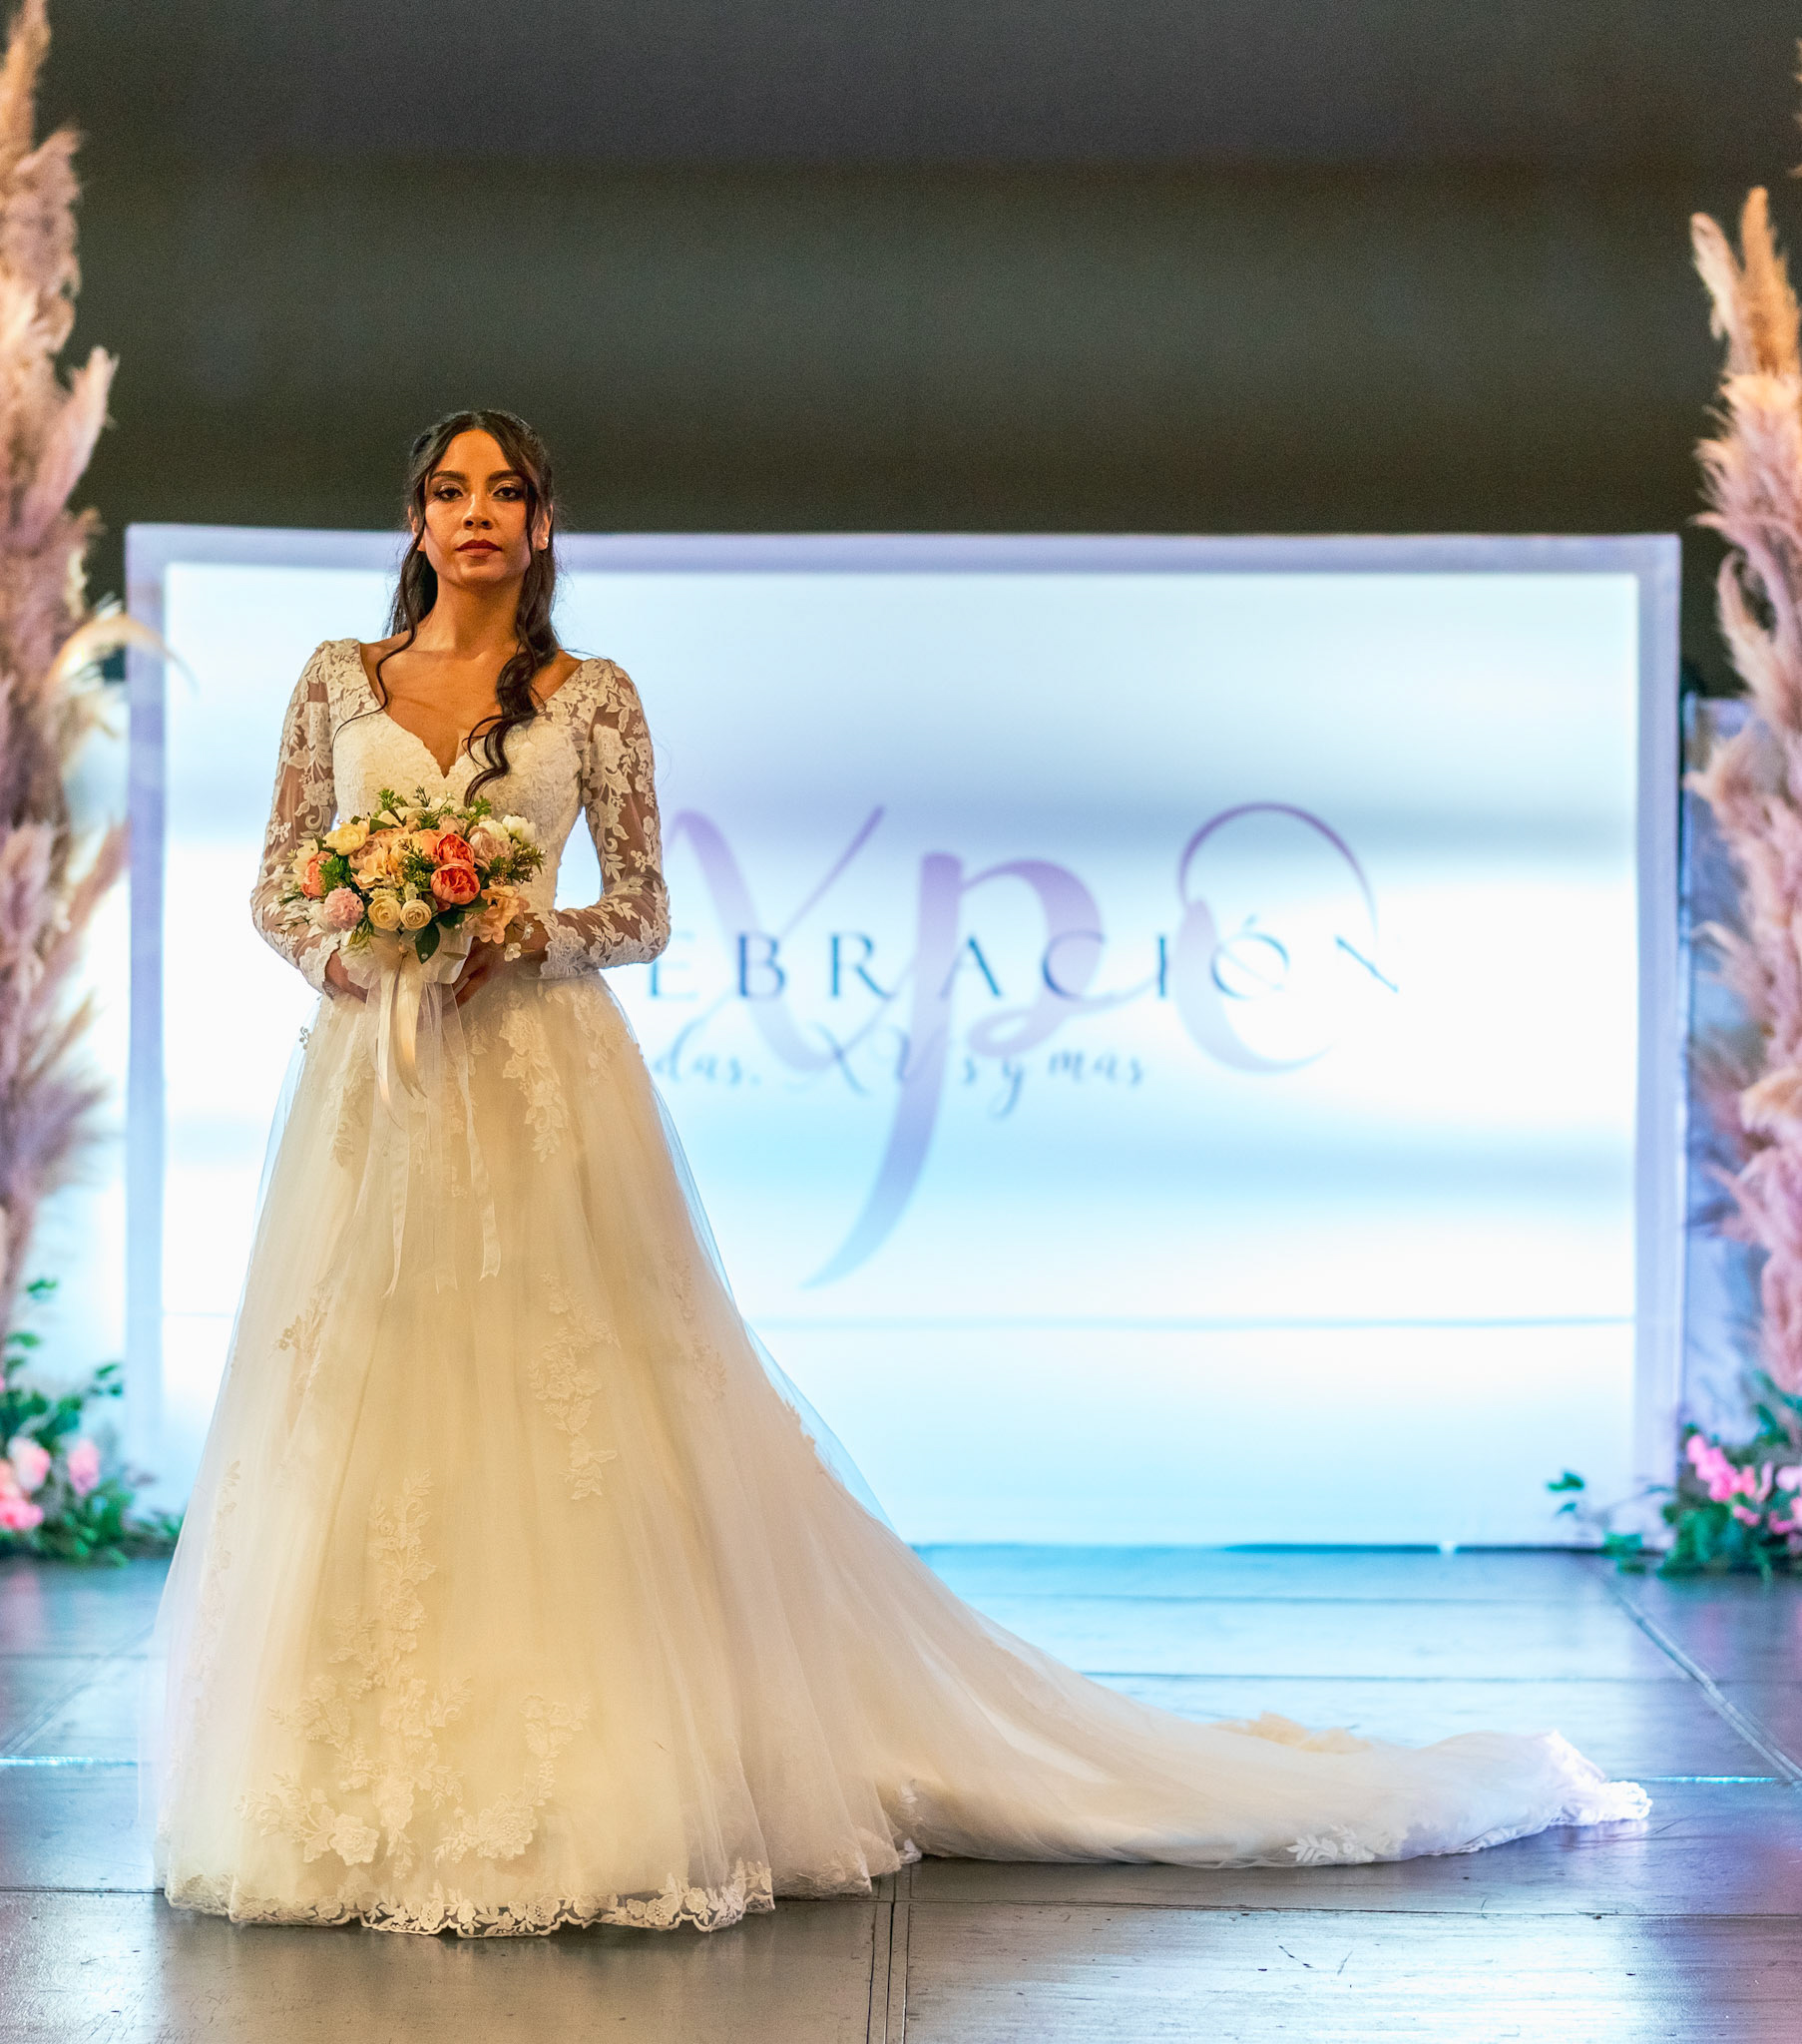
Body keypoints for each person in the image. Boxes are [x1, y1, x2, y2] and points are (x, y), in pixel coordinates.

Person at [145, 408, 1648, 1937]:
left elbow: (644, 910)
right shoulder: (338, 681)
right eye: (449, 490)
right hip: (376, 1086)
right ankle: (356, 1780)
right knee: (365, 1401)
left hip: (538, 1078)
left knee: (566, 1404)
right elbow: (276, 881)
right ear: (415, 519)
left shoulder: (592, 696)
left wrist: (529, 930)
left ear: (541, 524)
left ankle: (582, 1773)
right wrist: (347, 952)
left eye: (506, 491)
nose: (476, 513)